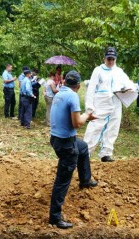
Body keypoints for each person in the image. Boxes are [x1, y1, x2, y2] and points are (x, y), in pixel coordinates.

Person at [49, 71, 97, 229]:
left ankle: (85, 180)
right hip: (65, 143)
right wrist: (87, 116)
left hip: (56, 138)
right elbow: (77, 123)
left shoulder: (59, 93)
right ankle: (55, 217)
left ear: (64, 81)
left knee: (82, 147)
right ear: (78, 85)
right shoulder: (73, 96)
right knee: (62, 179)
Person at [84, 47, 136, 162]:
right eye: (109, 59)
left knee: (113, 127)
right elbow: (91, 89)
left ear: (116, 59)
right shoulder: (98, 70)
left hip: (116, 101)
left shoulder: (119, 71)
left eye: (113, 59)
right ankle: (86, 153)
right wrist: (89, 107)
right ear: (104, 58)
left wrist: (132, 87)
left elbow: (128, 82)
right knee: (95, 127)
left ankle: (106, 153)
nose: (111, 61)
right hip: (101, 102)